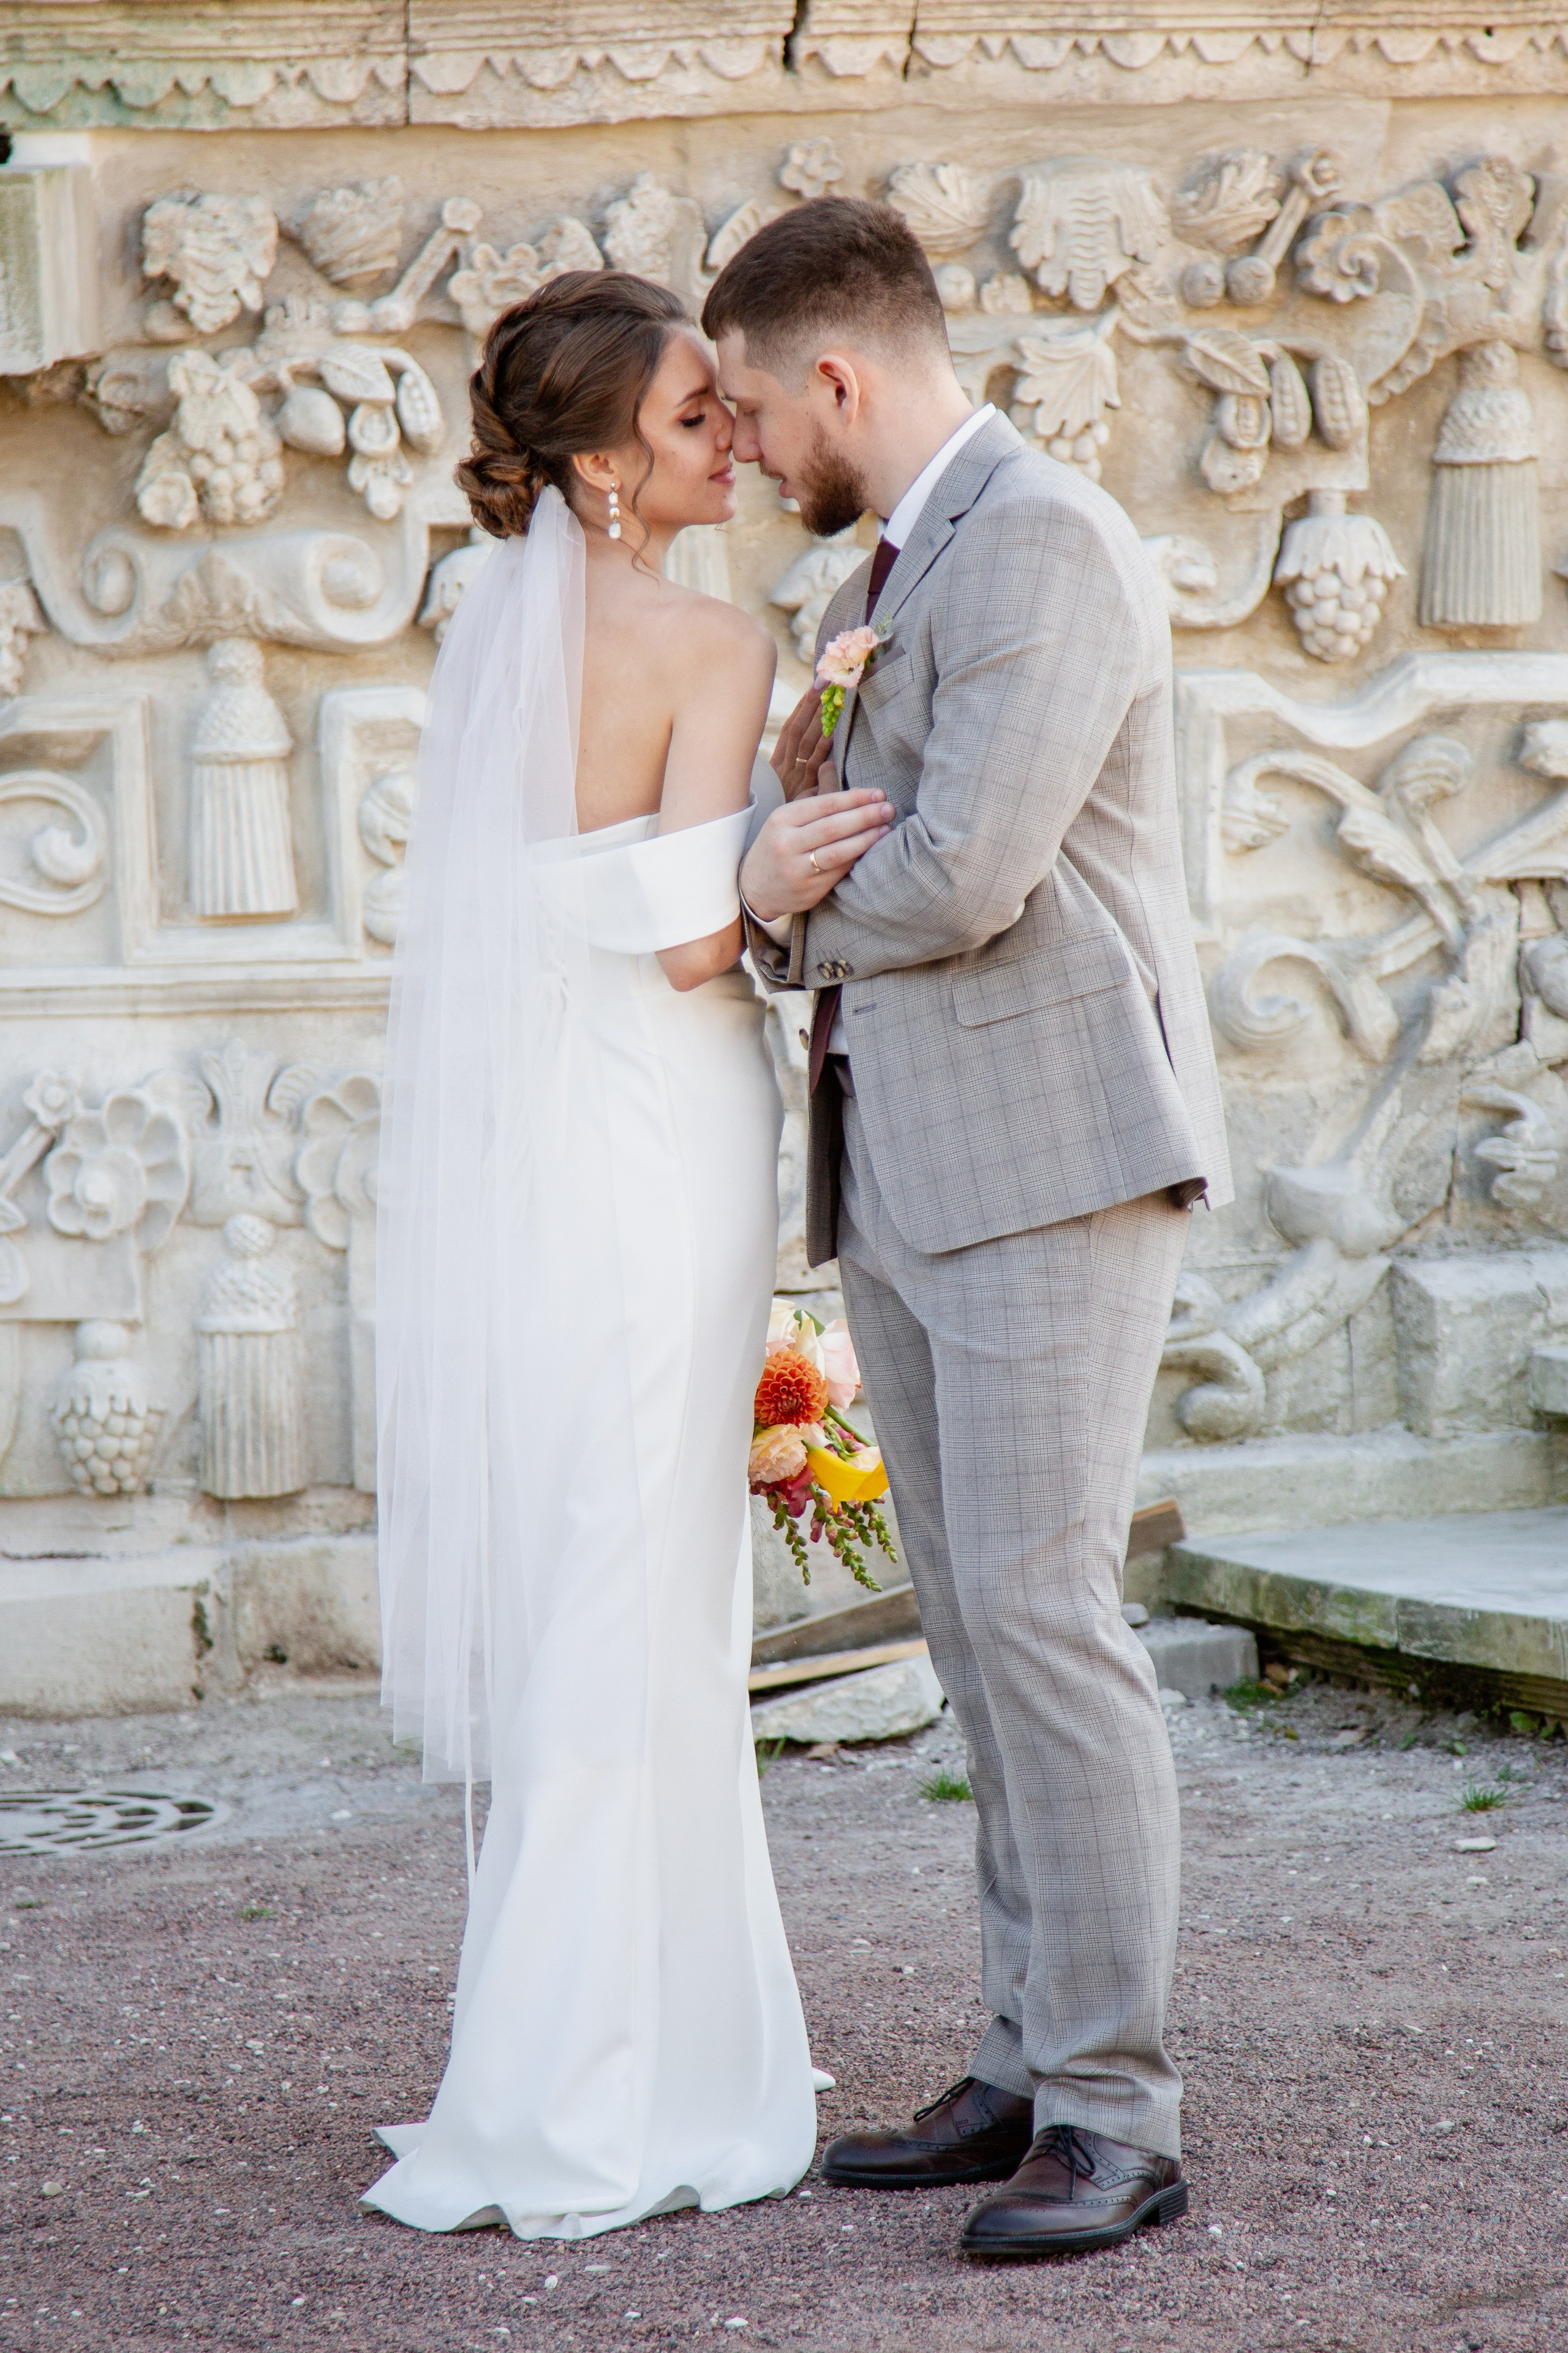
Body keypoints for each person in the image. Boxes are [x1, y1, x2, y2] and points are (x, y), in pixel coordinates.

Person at [704, 198, 1232, 2259]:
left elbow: (964, 873)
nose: (740, 444)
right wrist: (781, 862)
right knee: (975, 1630)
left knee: (1048, 1625)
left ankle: (1119, 2110)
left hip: (1051, 1155)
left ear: (837, 375)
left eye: (749, 406)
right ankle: (1024, 2053)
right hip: (911, 1153)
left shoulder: (1043, 543)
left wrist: (765, 890)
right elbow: (866, 837)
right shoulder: (886, 563)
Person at [363, 271, 889, 2240]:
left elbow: (534, 898)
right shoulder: (713, 635)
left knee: (611, 1562)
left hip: (555, 1141)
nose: (731, 442)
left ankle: (560, 2054)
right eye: (692, 420)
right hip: (661, 1125)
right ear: (597, 465)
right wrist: (768, 861)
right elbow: (686, 938)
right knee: (646, 1587)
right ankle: (616, 2078)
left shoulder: (493, 638)